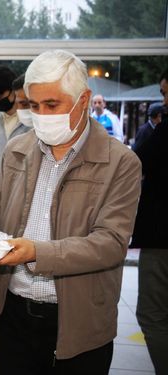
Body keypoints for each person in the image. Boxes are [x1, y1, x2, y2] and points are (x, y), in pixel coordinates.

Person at [0, 50, 141, 374]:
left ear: (83, 100)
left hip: (80, 321)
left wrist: (37, 252)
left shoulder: (120, 162)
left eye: (51, 105)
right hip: (16, 315)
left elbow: (111, 243)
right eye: (32, 105)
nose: (40, 115)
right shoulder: (18, 150)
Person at [132, 69, 168, 375]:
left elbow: (138, 160)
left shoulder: (164, 131)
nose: (165, 102)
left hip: (162, 237)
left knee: (153, 313)